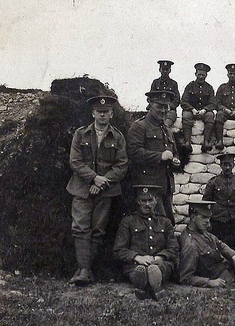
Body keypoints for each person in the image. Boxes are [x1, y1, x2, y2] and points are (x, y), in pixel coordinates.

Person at [66, 95, 128, 285]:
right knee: (80, 227)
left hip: (106, 191)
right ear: (93, 113)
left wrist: (102, 181)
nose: (102, 115)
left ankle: (85, 270)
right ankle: (85, 270)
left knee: (98, 230)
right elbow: (75, 161)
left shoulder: (118, 137)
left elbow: (122, 165)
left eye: (106, 112)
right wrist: (94, 178)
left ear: (111, 114)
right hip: (81, 188)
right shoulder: (80, 134)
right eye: (99, 112)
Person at [113, 185, 179, 300]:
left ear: (156, 200)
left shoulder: (165, 221)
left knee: (156, 268)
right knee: (139, 269)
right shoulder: (128, 221)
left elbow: (173, 248)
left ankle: (147, 286)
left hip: (160, 263)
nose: (147, 204)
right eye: (143, 201)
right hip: (136, 264)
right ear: (138, 201)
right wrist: (137, 257)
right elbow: (118, 250)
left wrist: (159, 258)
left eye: (150, 200)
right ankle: (151, 286)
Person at [127, 90, 180, 224]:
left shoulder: (166, 129)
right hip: (148, 186)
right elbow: (133, 152)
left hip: (165, 186)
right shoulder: (139, 126)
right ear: (150, 103)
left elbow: (174, 152)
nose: (163, 110)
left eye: (166, 107)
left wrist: (175, 160)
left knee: (166, 223)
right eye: (159, 106)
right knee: (153, 224)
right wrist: (159, 156)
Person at [178, 200, 235, 288]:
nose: (207, 221)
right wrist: (209, 282)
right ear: (193, 217)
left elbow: (219, 244)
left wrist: (233, 256)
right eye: (203, 217)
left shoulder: (201, 232)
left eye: (208, 217)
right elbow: (186, 277)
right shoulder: (190, 244)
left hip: (226, 264)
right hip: (220, 275)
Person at [202, 153, 235, 250]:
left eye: (229, 165)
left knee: (232, 250)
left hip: (233, 222)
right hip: (217, 222)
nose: (227, 168)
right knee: (216, 249)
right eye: (225, 165)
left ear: (233, 165)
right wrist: (207, 221)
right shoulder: (213, 182)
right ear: (220, 165)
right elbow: (205, 203)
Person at [180, 62, 217, 153]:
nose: (201, 77)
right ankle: (187, 142)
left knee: (210, 115)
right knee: (186, 115)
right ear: (195, 74)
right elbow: (184, 101)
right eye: (199, 74)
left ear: (206, 75)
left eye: (203, 75)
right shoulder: (190, 86)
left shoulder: (209, 88)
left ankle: (206, 142)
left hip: (204, 112)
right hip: (191, 111)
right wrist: (192, 109)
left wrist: (205, 110)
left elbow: (213, 103)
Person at [150, 60, 181, 130]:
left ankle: (164, 131)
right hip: (156, 109)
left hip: (169, 110)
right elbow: (150, 97)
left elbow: (177, 99)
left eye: (166, 70)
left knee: (167, 123)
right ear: (159, 70)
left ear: (170, 70)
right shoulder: (155, 82)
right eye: (163, 69)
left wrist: (169, 106)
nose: (165, 72)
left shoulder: (173, 84)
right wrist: (156, 106)